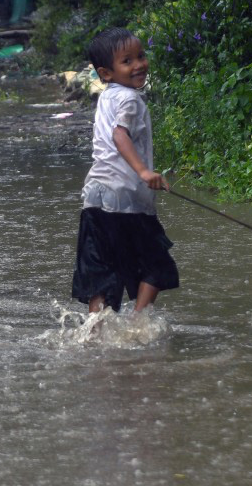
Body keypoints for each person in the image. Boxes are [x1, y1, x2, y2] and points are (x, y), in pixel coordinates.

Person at [72, 28, 179, 314]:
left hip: (95, 196)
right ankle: (138, 323)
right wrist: (144, 172)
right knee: (157, 264)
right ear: (106, 73)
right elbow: (120, 135)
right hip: (125, 198)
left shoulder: (107, 97)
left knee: (102, 270)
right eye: (127, 61)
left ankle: (95, 335)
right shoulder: (131, 99)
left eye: (140, 56)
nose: (139, 65)